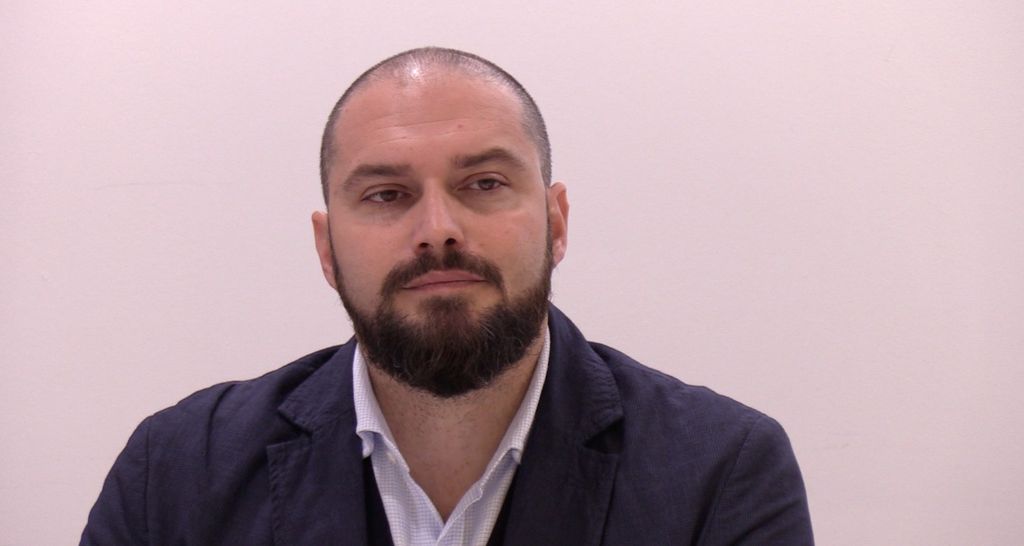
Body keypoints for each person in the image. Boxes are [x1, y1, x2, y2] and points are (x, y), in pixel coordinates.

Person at [81, 47, 814, 545]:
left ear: (556, 222)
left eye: (484, 184)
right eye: (386, 194)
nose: (438, 229)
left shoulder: (720, 473)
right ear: (327, 249)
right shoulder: (176, 474)